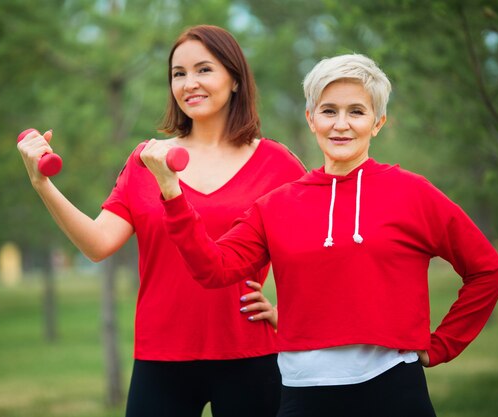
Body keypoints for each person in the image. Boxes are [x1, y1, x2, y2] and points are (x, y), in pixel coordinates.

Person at [142, 53, 498, 417]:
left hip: (393, 388)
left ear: (378, 123)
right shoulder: (274, 206)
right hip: (304, 395)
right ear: (311, 119)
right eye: (329, 111)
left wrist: (443, 345)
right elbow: (213, 269)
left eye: (356, 112)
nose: (341, 125)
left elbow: (487, 271)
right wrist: (173, 194)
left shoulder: (413, 194)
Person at [17, 25, 306, 417]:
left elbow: (316, 255)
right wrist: (42, 184)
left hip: (249, 352)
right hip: (162, 356)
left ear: (235, 79)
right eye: (178, 73)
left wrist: (285, 313)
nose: (190, 83)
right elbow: (98, 244)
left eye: (204, 69)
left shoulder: (277, 164)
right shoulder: (147, 160)